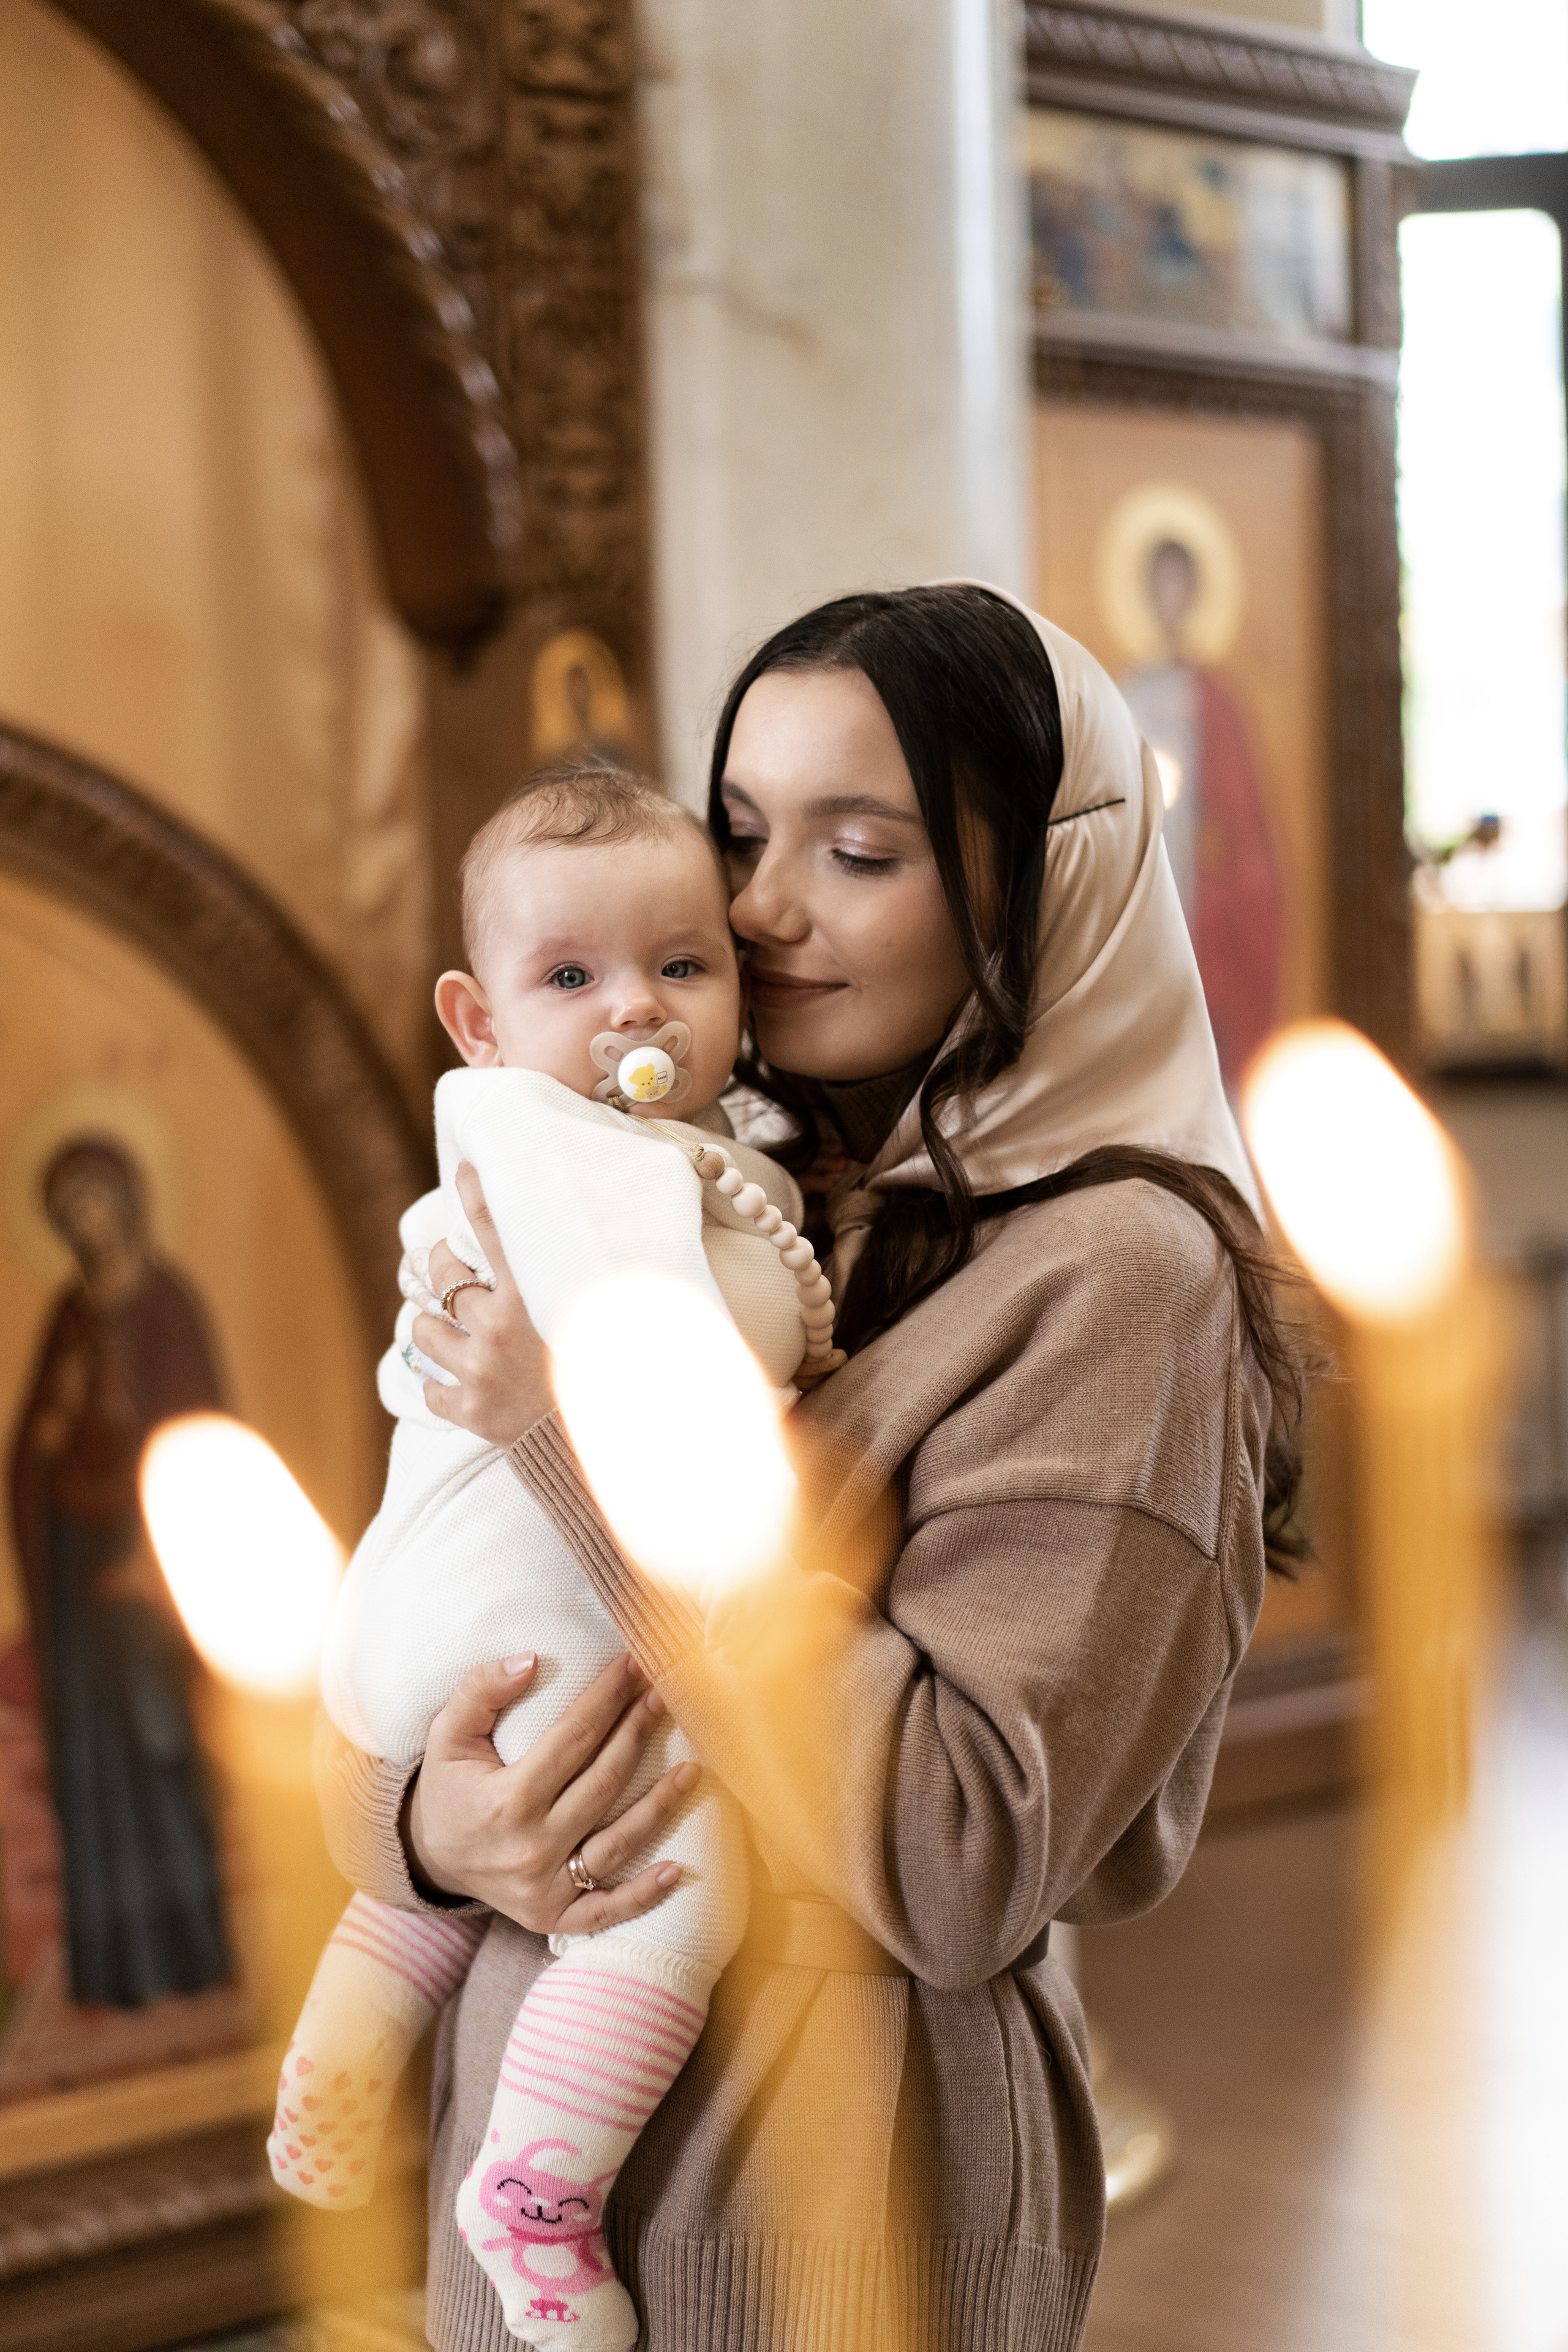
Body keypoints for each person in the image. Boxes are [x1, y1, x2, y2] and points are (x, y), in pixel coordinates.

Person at [317, 584, 1303, 2352]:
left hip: (823, 2193)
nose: (764, 913)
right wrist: (425, 1828)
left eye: (860, 853)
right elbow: (444, 1626)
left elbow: (954, 1853)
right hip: (540, 2168)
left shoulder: (1121, 1283)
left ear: (1039, 884)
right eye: (746, 838)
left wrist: (581, 1431)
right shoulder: (720, 1191)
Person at [279, 767, 837, 2352]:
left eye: (681, 966)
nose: (629, 1012)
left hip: (416, 1621)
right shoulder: (563, 1153)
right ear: (477, 1020)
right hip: (516, 1584)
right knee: (672, 1879)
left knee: (489, 1822)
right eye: (570, 978)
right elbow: (659, 1360)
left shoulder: (667, 1149)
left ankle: (343, 2034)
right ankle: (535, 2187)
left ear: (739, 985)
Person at [7, 1137, 232, 2009]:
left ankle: (191, 1955)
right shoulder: (72, 1313)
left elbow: (202, 1435)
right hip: (78, 1568)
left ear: (129, 1201)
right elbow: (34, 1449)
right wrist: (61, 1419)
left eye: (95, 1203)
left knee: (160, 1747)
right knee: (96, 1762)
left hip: (149, 1570)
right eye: (71, 1214)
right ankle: (117, 1972)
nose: (86, 1223)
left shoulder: (166, 1305)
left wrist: (157, 1549)